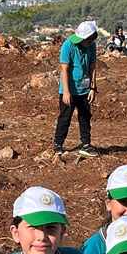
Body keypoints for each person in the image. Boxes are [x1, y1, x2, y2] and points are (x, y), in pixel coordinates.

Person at [54, 21, 99, 158]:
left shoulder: (92, 46)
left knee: (85, 117)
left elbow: (92, 67)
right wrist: (66, 92)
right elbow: (64, 69)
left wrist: (93, 87)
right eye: (87, 41)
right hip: (69, 89)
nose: (89, 44)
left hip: (84, 88)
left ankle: (86, 144)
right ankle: (58, 144)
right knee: (65, 118)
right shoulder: (68, 45)